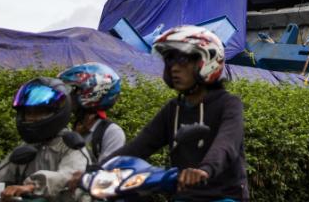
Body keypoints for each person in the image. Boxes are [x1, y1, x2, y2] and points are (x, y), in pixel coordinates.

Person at [105, 25, 248, 202]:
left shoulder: (228, 104)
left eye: (182, 60)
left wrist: (205, 169)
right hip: (184, 197)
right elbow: (139, 146)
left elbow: (226, 144)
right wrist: (95, 170)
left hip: (224, 197)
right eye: (169, 60)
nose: (173, 68)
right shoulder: (173, 109)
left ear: (207, 61)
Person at [0, 77, 87, 201]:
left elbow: (68, 176)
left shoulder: (71, 144)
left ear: (58, 112)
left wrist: (32, 186)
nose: (31, 118)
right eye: (28, 113)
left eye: (39, 112)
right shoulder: (26, 147)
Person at [58, 62, 126, 163]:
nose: (68, 95)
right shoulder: (72, 125)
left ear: (92, 93)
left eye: (75, 90)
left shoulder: (112, 133)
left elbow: (106, 173)